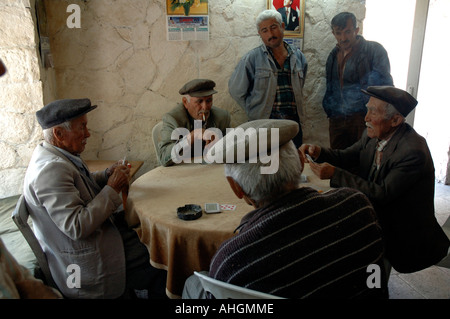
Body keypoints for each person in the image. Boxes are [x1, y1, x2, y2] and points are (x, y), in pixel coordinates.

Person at [183, 119, 388, 299]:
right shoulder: (358, 206)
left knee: (192, 285)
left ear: (236, 188)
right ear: (300, 163)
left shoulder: (232, 261)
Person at [23, 98, 167, 298]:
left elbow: (80, 185)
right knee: (160, 256)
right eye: (82, 127)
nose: (88, 134)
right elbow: (76, 226)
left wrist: (107, 174)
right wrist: (112, 187)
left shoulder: (57, 153)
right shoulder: (51, 170)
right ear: (59, 133)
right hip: (87, 260)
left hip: (97, 238)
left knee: (150, 235)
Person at [300, 86, 450, 274]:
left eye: (373, 112)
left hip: (402, 231)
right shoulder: (373, 135)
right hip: (377, 214)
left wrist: (335, 174)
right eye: (367, 109)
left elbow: (382, 193)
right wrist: (319, 151)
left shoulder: (413, 151)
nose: (366, 118)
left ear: (395, 120)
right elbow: (347, 156)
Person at [228, 10, 308, 147]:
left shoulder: (299, 57)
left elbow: (301, 84)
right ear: (260, 34)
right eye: (264, 30)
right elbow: (236, 90)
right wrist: (254, 109)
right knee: (266, 166)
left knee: (293, 164)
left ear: (282, 26)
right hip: (264, 125)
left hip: (293, 124)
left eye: (273, 27)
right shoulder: (252, 59)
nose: (270, 34)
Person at [323, 12, 393, 150]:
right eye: (338, 33)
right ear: (333, 33)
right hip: (337, 118)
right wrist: (329, 109)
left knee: (363, 160)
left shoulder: (374, 50)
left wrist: (374, 114)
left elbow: (385, 88)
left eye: (347, 32)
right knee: (337, 160)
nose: (343, 38)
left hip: (363, 118)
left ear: (356, 30)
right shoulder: (333, 55)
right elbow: (330, 86)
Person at [158, 79, 231, 166]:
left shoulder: (222, 116)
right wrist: (191, 137)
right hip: (182, 173)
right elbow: (163, 158)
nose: (205, 107)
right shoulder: (173, 119)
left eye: (208, 101)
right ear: (185, 102)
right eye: (199, 101)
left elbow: (232, 150)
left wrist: (221, 145)